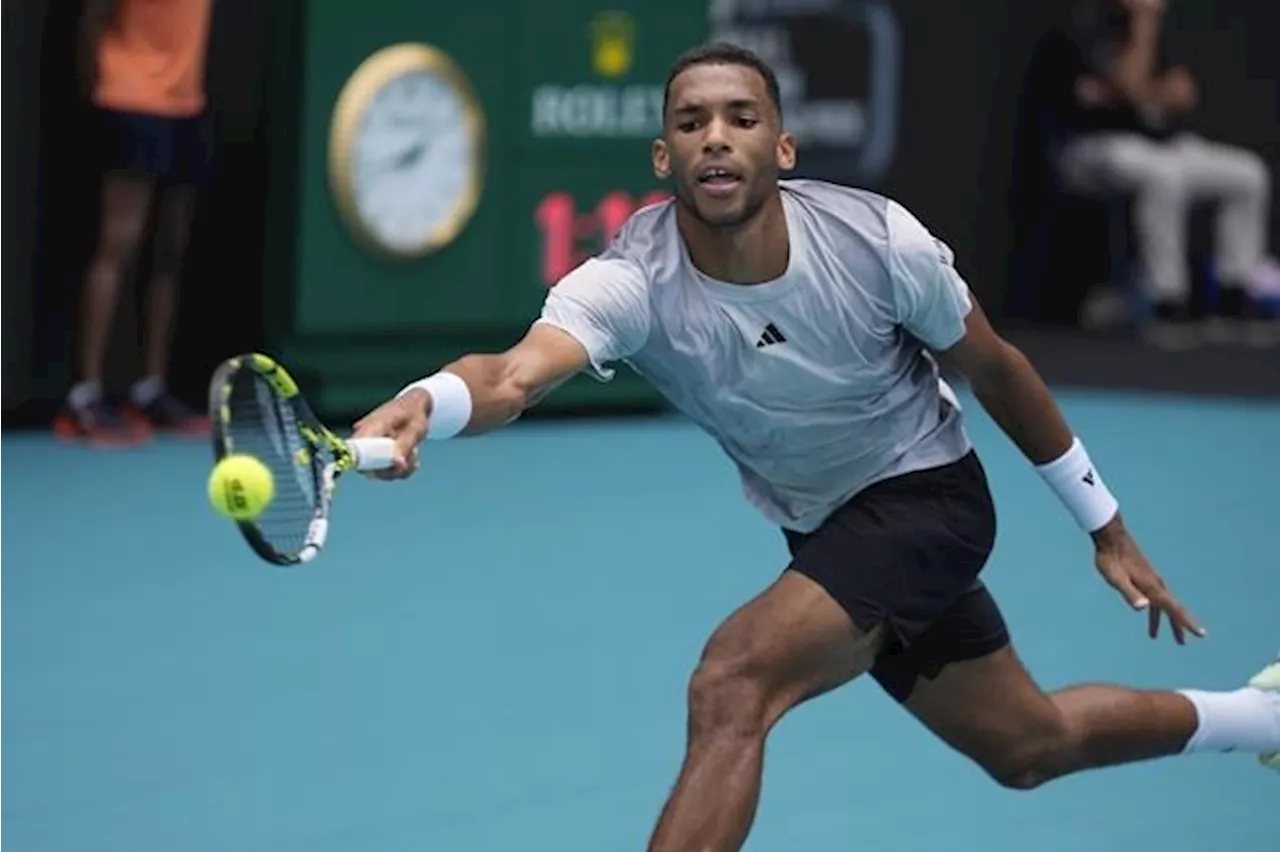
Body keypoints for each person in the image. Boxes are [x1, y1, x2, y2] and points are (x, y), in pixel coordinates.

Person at [352, 43, 1280, 852]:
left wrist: (1104, 524)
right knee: (1028, 745)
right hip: (827, 533)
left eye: (741, 117)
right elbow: (514, 375)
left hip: (928, 502)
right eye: (692, 121)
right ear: (664, 157)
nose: (716, 135)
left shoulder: (877, 244)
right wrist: (428, 400)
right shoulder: (631, 280)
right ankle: (1262, 715)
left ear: (781, 148)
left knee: (734, 680)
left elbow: (997, 370)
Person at [1055, 0, 1280, 348]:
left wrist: (1141, 91)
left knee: (1248, 175)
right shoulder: (1086, 26)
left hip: (1162, 145)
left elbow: (1184, 93)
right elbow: (1129, 85)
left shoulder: (1164, 33)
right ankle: (1167, 302)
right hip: (1094, 145)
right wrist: (1144, 28)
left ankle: (1234, 299)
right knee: (1164, 176)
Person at [54, 0, 215, 446]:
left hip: (188, 104)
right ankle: (84, 396)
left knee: (171, 252)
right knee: (118, 244)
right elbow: (92, 18)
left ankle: (150, 390)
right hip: (130, 99)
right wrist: (98, 88)